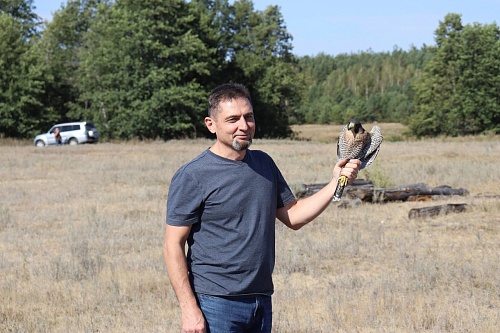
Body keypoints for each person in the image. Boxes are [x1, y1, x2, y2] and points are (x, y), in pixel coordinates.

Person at [164, 83, 361, 333]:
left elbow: (294, 216)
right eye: (233, 119)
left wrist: (336, 182)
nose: (244, 126)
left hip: (261, 300)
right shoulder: (193, 175)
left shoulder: (264, 164)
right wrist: (189, 310)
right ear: (211, 124)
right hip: (215, 303)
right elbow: (173, 245)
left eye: (249, 117)